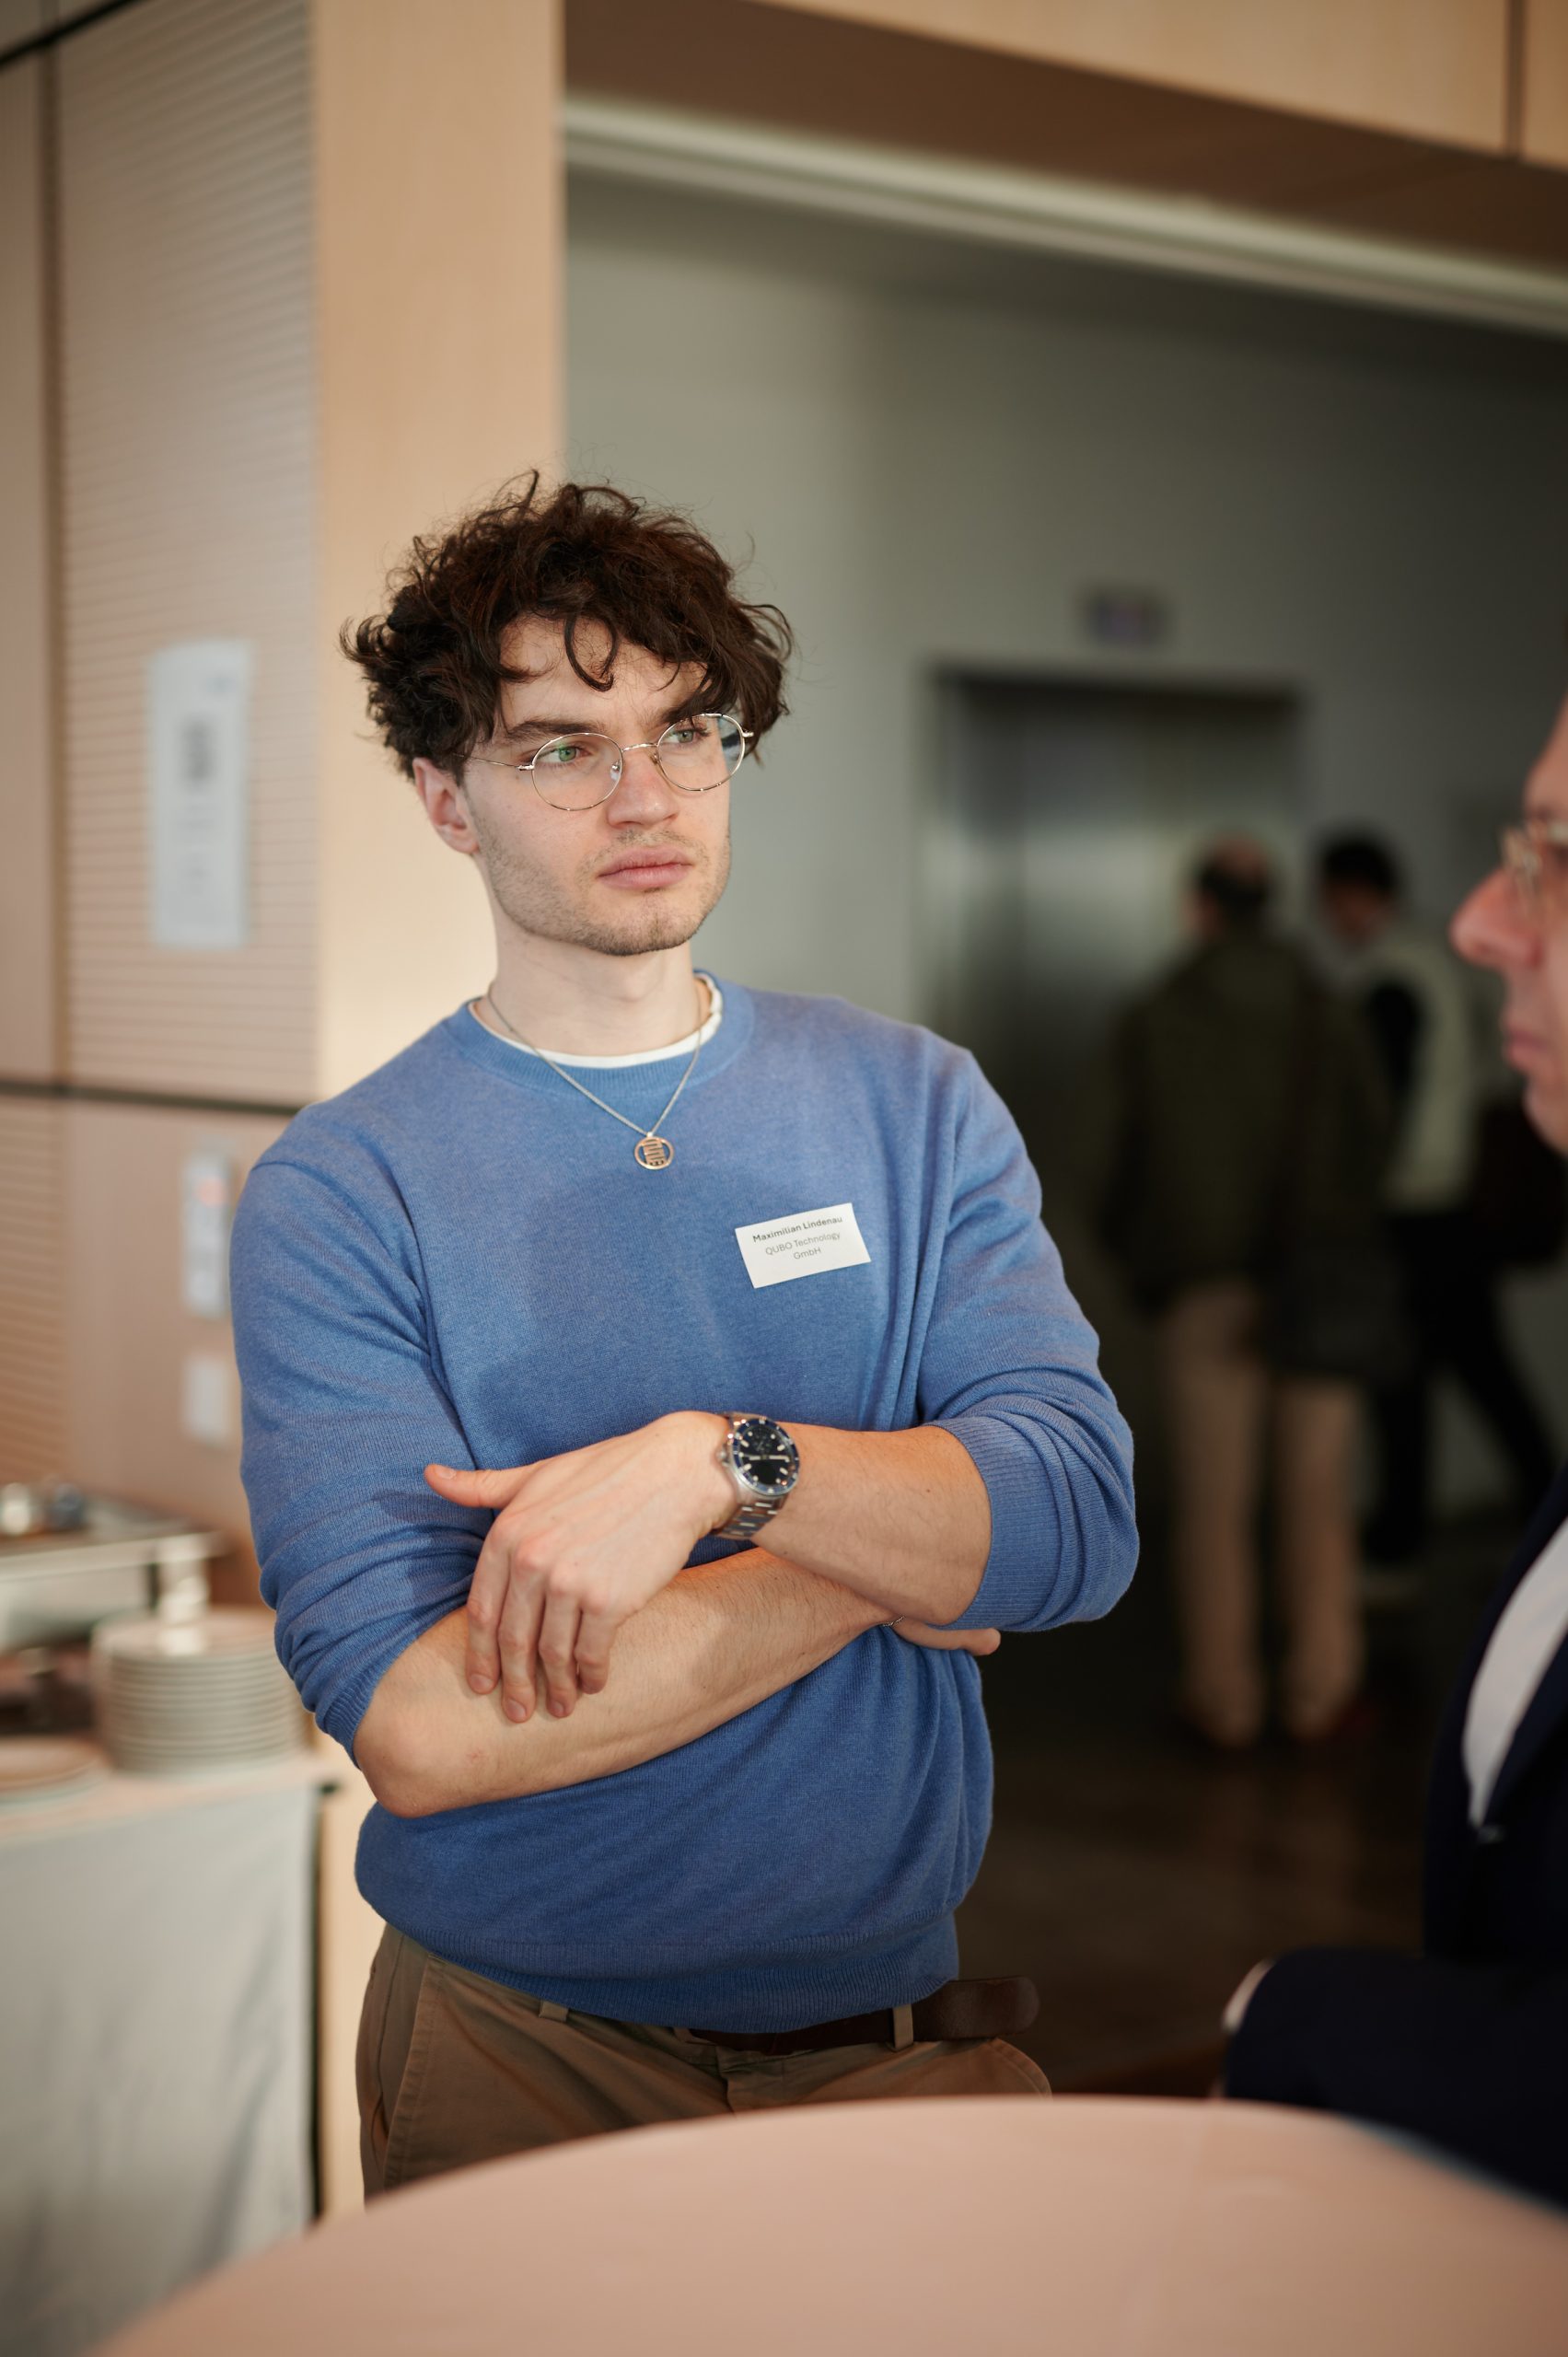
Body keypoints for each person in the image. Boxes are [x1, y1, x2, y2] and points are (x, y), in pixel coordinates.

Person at [229, 476, 1137, 2194]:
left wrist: (723, 1469)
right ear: (446, 800)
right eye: (561, 749)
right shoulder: (344, 1190)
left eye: (687, 731)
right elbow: (424, 1730)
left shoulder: (915, 1103)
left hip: (899, 2047)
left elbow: (1074, 1527)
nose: (644, 795)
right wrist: (889, 1556)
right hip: (513, 2056)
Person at [1223, 695, 1568, 2209]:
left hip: (1415, 1226)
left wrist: (1294, 2016)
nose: (1486, 919)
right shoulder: (1400, 977)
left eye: (1552, 857)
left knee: (1436, 1397)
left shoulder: (1382, 986)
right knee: (1460, 1394)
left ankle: (1398, 1546)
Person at [1087, 840, 1389, 1748]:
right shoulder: (1323, 1005)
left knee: (1211, 1507)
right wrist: (1338, 1225)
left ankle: (1223, 1700)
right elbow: (1373, 1132)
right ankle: (1319, 1692)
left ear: (1200, 908)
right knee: (1318, 1499)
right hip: (1319, 1288)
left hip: (1201, 1290)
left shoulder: (1155, 1013)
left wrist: (1144, 1262)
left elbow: (1104, 1159)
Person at [1318, 832, 1555, 1559]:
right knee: (1472, 1372)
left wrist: (1348, 1191)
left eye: (1328, 901)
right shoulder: (1436, 958)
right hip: (1453, 1198)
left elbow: (1381, 1106)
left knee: (1420, 1379)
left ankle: (1404, 1540)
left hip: (1417, 1207)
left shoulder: (1392, 975)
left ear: (1351, 894)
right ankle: (1503, 1521)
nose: (1327, 918)